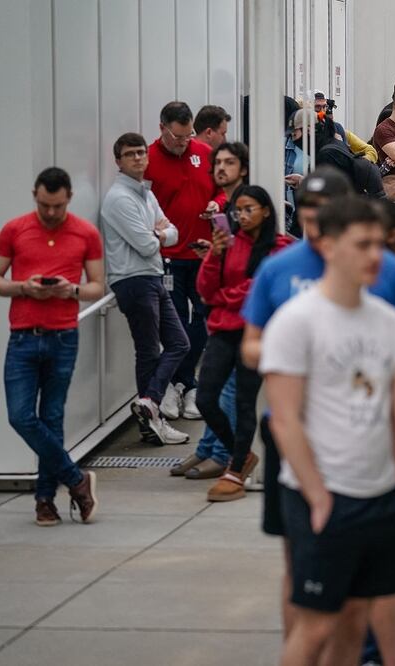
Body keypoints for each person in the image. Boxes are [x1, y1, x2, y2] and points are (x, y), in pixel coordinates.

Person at [240, 169, 395, 650]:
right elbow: (258, 360)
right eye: (307, 211)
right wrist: (297, 362)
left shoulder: (388, 286)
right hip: (307, 459)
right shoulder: (284, 280)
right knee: (309, 595)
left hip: (374, 471)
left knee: (359, 607)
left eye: (323, 210)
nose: (313, 221)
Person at [0, 167, 104, 526]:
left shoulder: (86, 233)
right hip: (23, 335)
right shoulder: (15, 229)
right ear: (34, 195)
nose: (50, 213)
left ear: (69, 198)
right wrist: (24, 287)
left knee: (52, 417)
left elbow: (98, 285)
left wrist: (72, 291)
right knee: (20, 416)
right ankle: (76, 479)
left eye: (57, 206)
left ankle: (45, 501)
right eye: (44, 205)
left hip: (63, 335)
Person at [194, 185, 291, 503]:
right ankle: (242, 454)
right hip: (223, 330)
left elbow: (258, 289)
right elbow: (205, 289)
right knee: (205, 398)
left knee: (244, 401)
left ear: (266, 210)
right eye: (238, 211)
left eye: (249, 209)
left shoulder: (279, 247)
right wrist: (215, 253)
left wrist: (223, 297)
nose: (243, 216)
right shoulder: (229, 243)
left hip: (256, 331)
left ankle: (235, 470)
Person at [100, 133, 190, 447]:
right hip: (133, 280)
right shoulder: (119, 198)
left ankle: (149, 403)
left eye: (141, 152)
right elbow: (146, 244)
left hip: (152, 276)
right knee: (149, 351)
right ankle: (153, 419)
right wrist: (159, 235)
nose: (138, 158)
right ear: (118, 161)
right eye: (130, 154)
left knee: (179, 343)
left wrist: (159, 234)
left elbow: (174, 232)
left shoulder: (146, 194)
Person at [172, 141, 251, 478]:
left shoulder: (245, 207)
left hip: (239, 309)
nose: (220, 168)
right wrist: (214, 253)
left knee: (226, 387)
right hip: (224, 306)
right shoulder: (227, 209)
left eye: (229, 162)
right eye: (217, 162)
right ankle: (208, 448)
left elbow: (249, 257)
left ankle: (223, 453)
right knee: (214, 388)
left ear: (242, 169)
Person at [144, 101, 217, 421]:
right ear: (162, 129)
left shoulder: (204, 153)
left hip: (202, 254)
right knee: (174, 324)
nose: (184, 143)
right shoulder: (148, 160)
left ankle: (183, 382)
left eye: (188, 136)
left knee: (203, 318)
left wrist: (217, 204)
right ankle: (182, 384)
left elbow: (222, 190)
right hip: (168, 259)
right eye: (177, 137)